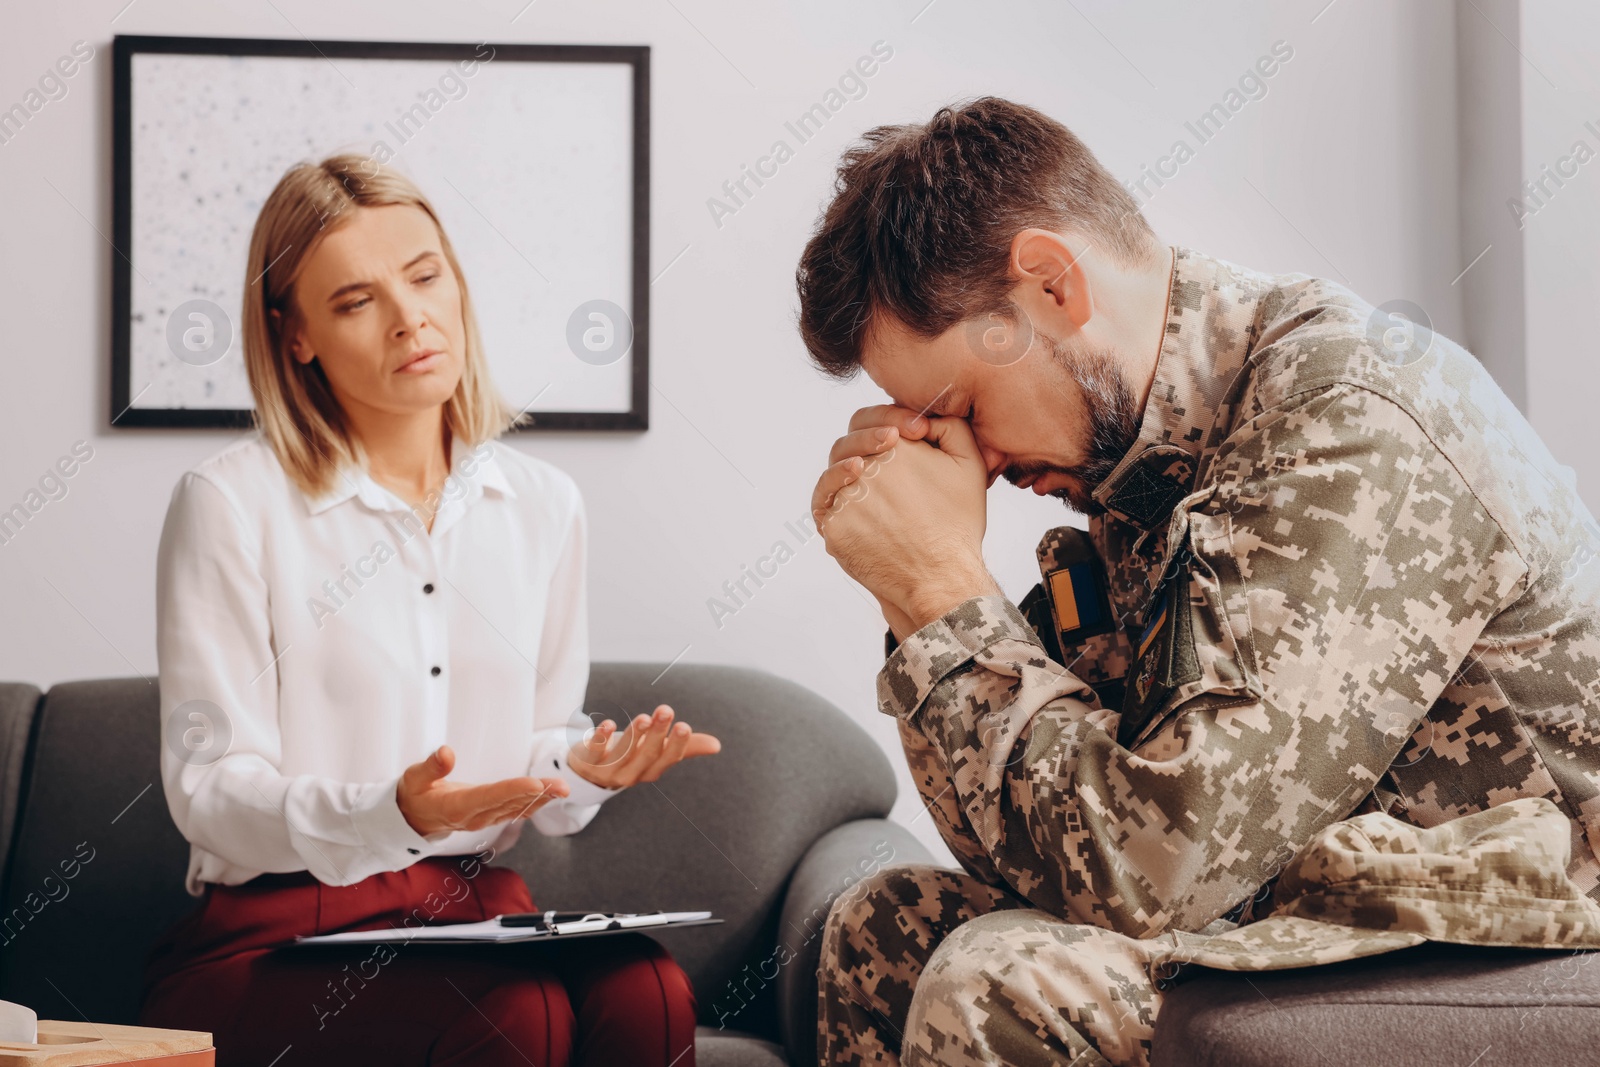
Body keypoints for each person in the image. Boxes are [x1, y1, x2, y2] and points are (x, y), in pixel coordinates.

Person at [797, 97, 1600, 1066]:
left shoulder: (1344, 416)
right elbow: (1036, 849)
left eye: (961, 405)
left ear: (1052, 283)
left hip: (1501, 910)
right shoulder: (1136, 467)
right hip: (1314, 898)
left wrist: (941, 590)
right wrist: (908, 593)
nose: (977, 456)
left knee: (1006, 980)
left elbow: (1154, 871)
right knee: (885, 925)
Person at [138, 153, 720, 1067]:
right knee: (512, 1013)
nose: (411, 317)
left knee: (647, 985)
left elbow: (535, 752)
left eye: (424, 275)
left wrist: (586, 765)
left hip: (475, 909)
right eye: (356, 300)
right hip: (278, 933)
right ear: (295, 337)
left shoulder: (543, 503)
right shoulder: (229, 503)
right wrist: (389, 811)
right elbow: (208, 794)